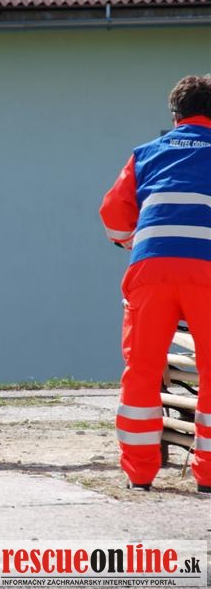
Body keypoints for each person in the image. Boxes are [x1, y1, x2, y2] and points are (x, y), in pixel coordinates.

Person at [99, 75, 211, 493]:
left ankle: (140, 473)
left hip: (151, 269)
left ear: (176, 115)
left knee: (142, 369)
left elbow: (113, 215)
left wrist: (131, 239)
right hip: (206, 272)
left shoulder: (145, 153)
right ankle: (208, 476)